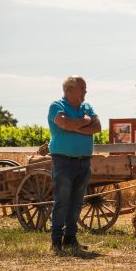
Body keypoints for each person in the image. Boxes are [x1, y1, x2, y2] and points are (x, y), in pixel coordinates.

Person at [47, 76, 101, 254]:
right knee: (62, 200)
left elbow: (98, 127)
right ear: (69, 89)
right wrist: (85, 122)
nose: (86, 91)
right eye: (82, 88)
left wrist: (74, 127)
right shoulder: (57, 106)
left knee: (77, 202)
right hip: (63, 161)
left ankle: (70, 238)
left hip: (83, 161)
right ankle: (56, 240)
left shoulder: (87, 107)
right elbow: (64, 123)